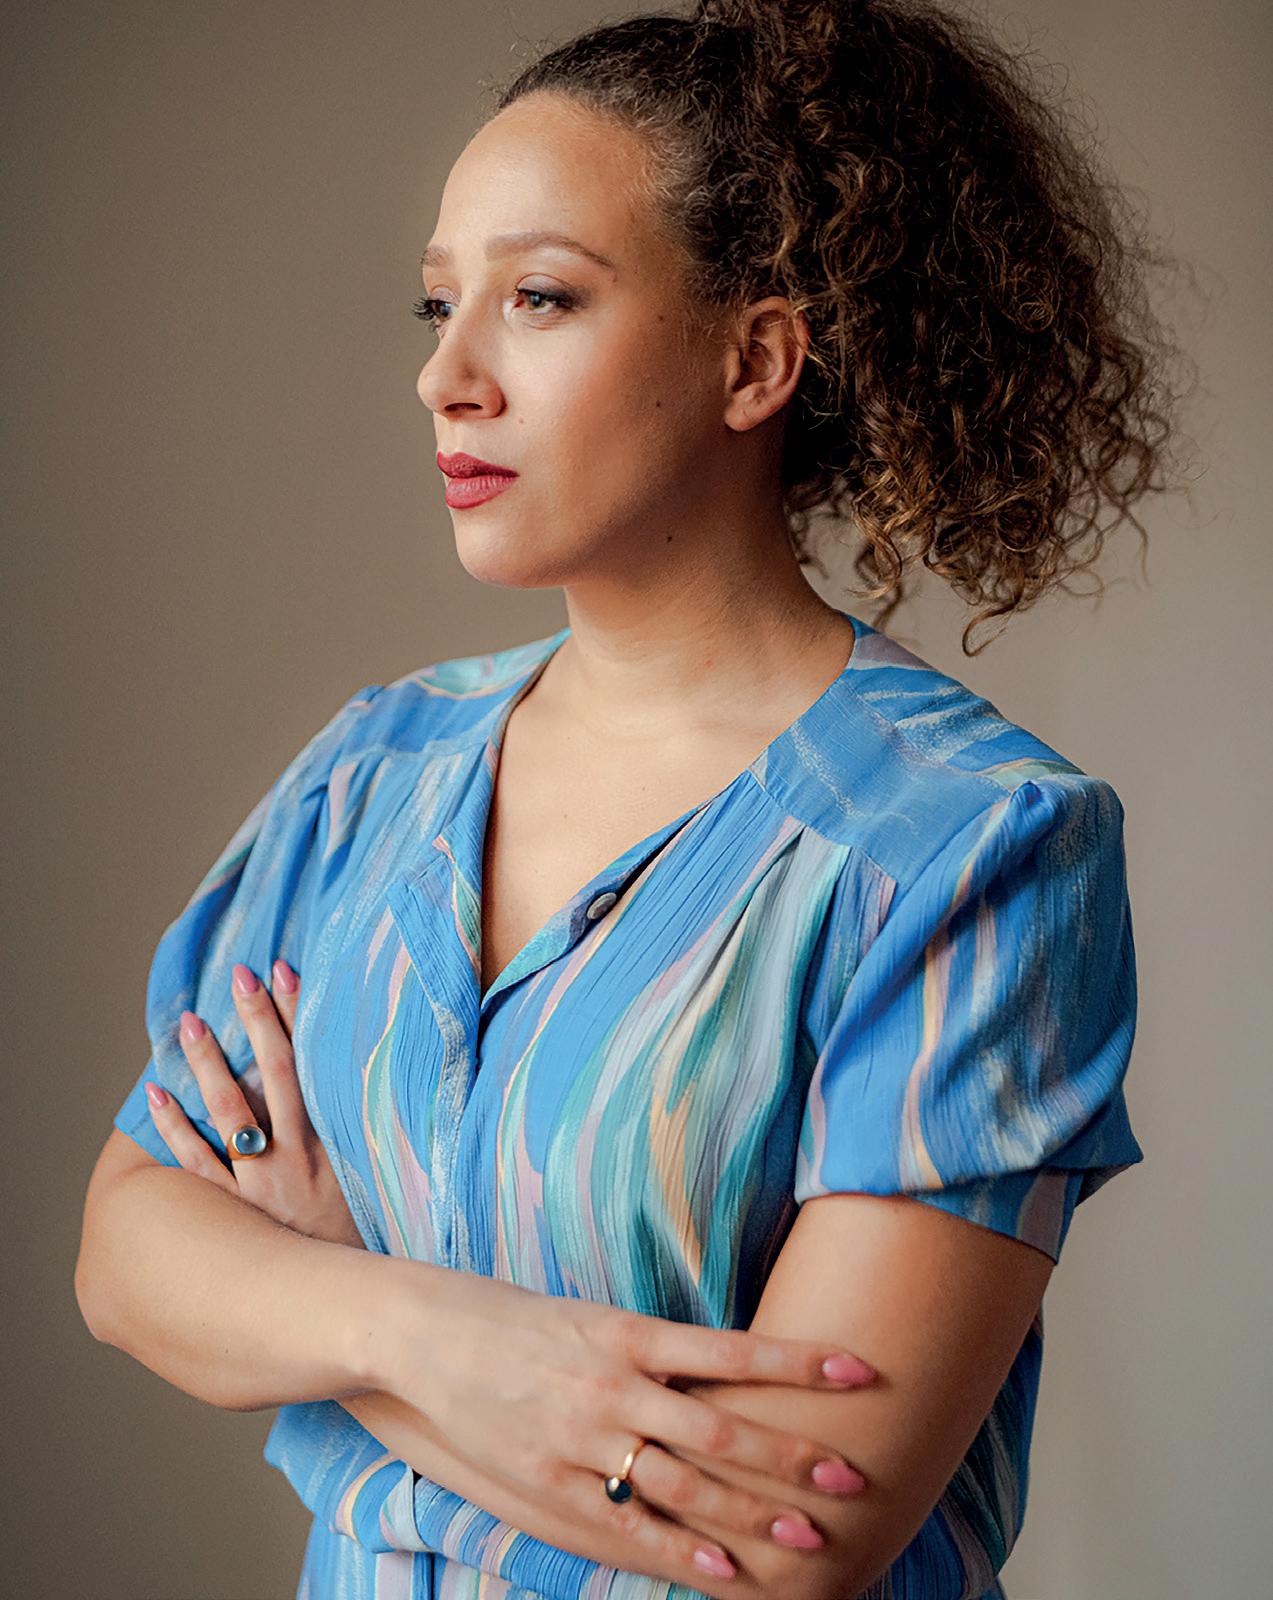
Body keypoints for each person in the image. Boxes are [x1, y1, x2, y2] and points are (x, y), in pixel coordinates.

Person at [77, 2, 1190, 1597]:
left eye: (537, 298)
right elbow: (125, 1257)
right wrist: (429, 1338)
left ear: (753, 359)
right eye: (438, 304)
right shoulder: (372, 774)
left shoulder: (969, 843)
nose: (445, 377)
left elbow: (785, 1535)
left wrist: (307, 1336)